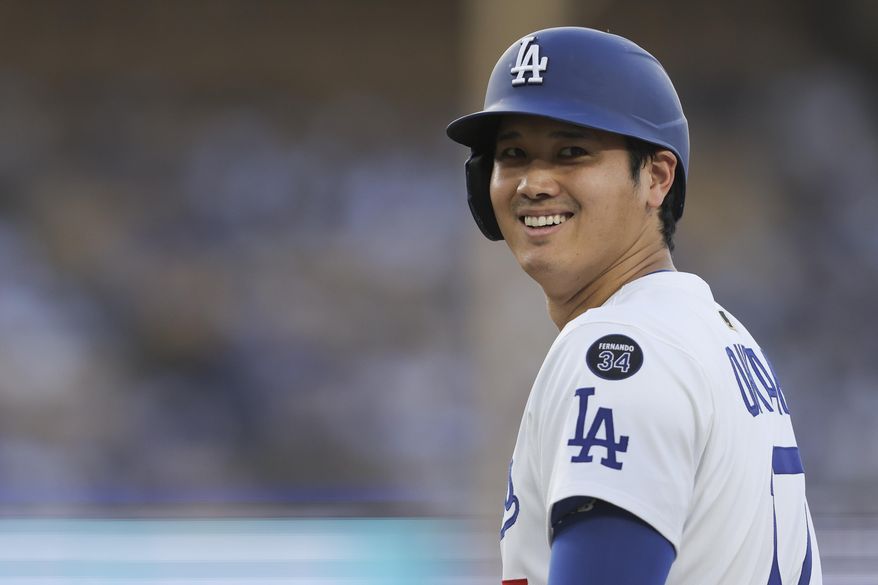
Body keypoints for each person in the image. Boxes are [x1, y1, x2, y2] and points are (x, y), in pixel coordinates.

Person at [446, 27, 821, 585]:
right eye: (513, 154)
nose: (533, 182)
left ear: (657, 177)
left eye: (571, 152)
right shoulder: (717, 332)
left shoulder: (621, 350)